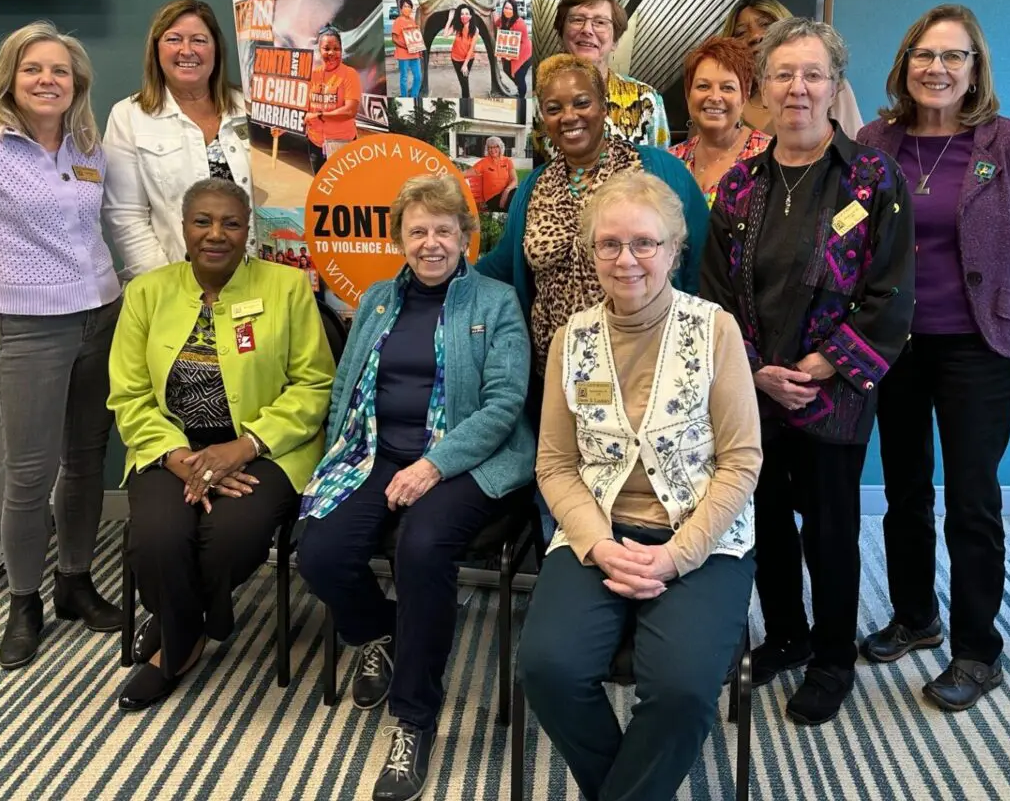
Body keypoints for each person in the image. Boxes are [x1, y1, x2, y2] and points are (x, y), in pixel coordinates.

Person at [516, 170, 761, 801]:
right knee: (547, 669)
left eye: (644, 244)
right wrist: (598, 545)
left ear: (674, 249)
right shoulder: (572, 339)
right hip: (595, 532)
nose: (626, 260)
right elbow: (555, 465)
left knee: (679, 687)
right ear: (590, 250)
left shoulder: (715, 331)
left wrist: (678, 555)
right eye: (609, 244)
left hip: (701, 535)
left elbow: (741, 461)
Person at [699, 16, 915, 726]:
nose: (798, 87)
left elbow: (890, 289)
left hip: (834, 395)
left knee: (830, 531)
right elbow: (715, 294)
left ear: (834, 86)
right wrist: (757, 371)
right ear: (763, 88)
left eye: (812, 73)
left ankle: (831, 658)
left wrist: (823, 364)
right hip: (755, 392)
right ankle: (786, 635)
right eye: (784, 74)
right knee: (762, 522)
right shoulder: (738, 188)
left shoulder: (871, 178)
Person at [856, 4, 1010, 711]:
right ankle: (917, 617)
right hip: (896, 344)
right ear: (904, 63)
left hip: (978, 348)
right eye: (925, 55)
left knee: (972, 497)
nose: (937, 69)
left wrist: (999, 300)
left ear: (976, 69)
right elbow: (848, 234)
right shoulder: (876, 141)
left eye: (954, 57)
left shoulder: (1009, 145)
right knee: (904, 487)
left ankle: (979, 651)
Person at [296, 175, 535, 801]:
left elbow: (505, 403)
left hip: (464, 460)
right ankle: (383, 631)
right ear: (400, 237)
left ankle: (415, 718)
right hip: (376, 452)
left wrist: (434, 465)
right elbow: (346, 388)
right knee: (320, 553)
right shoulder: (377, 298)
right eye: (418, 231)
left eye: (444, 230)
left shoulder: (495, 301)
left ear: (466, 236)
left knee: (422, 550)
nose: (431, 243)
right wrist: (335, 461)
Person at [0, 21, 123, 669]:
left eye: (60, 72)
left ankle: (74, 581)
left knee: (87, 459)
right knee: (28, 474)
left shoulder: (88, 145)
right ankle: (24, 601)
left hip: (101, 317)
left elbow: (108, 233)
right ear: (9, 78)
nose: (48, 81)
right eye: (34, 69)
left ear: (77, 85)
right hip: (28, 328)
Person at [108, 179, 333, 710]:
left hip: (265, 450)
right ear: (183, 229)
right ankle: (197, 623)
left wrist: (244, 446)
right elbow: (129, 393)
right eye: (202, 222)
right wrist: (180, 458)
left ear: (248, 230)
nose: (216, 234)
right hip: (171, 451)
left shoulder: (287, 288)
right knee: (157, 538)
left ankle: (174, 640)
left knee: (231, 535)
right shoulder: (146, 293)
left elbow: (314, 384)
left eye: (231, 223)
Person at [475, 54, 708, 392]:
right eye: (554, 109)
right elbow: (501, 265)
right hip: (559, 373)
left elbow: (703, 255)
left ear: (602, 107)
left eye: (581, 103)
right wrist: (443, 279)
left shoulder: (657, 170)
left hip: (648, 368)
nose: (569, 117)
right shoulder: (534, 186)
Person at [103, 0, 252, 279]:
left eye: (199, 40)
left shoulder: (251, 108)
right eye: (174, 39)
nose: (187, 50)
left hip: (260, 280)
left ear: (216, 49)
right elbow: (125, 217)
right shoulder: (129, 116)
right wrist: (170, 286)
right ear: (156, 49)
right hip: (177, 281)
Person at [548, 0, 669, 152]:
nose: (587, 29)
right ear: (561, 34)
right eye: (577, 20)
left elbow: (661, 170)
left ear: (615, 41)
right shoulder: (541, 101)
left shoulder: (646, 99)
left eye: (600, 22)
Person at [720, 0, 863, 137]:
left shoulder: (828, 85)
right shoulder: (727, 101)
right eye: (741, 33)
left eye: (765, 25)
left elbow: (855, 147)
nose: (756, 36)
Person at [669, 35, 772, 205]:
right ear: (688, 94)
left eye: (727, 88)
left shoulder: (769, 157)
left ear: (744, 97)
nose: (715, 97)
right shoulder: (671, 162)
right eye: (703, 86)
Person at [305, 25, 363, 173]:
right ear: (319, 50)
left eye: (336, 49)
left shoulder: (349, 74)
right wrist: (283, 127)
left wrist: (319, 116)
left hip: (342, 144)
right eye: (326, 48)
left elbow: (350, 111)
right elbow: (303, 108)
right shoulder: (312, 75)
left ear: (341, 50)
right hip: (315, 144)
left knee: (345, 190)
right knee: (321, 188)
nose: (332, 53)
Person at [464, 135, 516, 212]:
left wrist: (506, 191)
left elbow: (514, 180)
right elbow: (467, 173)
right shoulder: (484, 162)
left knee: (521, 196)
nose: (492, 150)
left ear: (500, 148)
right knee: (515, 203)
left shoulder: (507, 161)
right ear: (487, 149)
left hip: (508, 193)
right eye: (490, 147)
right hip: (493, 198)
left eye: (495, 147)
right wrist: (452, 173)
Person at [495, 0, 532, 96]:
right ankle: (519, 88)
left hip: (524, 53)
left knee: (519, 76)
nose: (507, 10)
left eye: (510, 9)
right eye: (506, 8)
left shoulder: (519, 23)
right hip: (510, 51)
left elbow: (521, 44)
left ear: (514, 10)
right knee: (507, 70)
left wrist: (510, 55)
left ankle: (521, 96)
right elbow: (496, 23)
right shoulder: (503, 20)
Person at [391, 0, 424, 98]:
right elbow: (394, 39)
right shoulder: (398, 21)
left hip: (415, 54)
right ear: (401, 8)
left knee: (418, 77)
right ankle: (404, 96)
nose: (407, 8)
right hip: (403, 55)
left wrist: (419, 49)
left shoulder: (412, 20)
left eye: (409, 6)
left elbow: (416, 37)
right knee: (404, 78)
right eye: (405, 6)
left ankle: (414, 95)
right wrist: (406, 46)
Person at [449, 6, 480, 98]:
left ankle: (466, 99)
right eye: (462, 14)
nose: (464, 16)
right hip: (455, 58)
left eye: (467, 14)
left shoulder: (475, 29)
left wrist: (465, 64)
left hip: (467, 59)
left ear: (471, 16)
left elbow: (471, 48)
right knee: (462, 82)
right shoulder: (457, 26)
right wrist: (450, 19)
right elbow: (445, 34)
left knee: (464, 82)